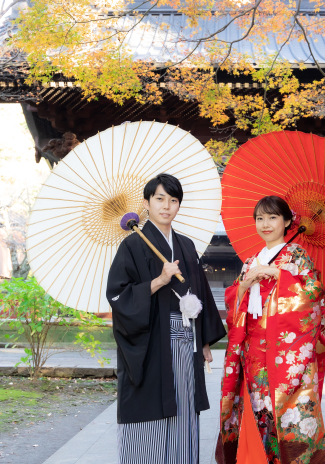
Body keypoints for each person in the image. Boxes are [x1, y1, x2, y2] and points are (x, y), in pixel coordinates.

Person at [107, 173, 227, 464]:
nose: (167, 206)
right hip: (152, 341)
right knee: (151, 407)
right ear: (147, 203)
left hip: (187, 340)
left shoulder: (185, 246)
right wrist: (159, 280)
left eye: (173, 200)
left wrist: (205, 340)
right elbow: (118, 296)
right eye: (160, 198)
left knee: (184, 406)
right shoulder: (133, 245)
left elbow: (199, 291)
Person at [215, 196, 325, 464]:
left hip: (285, 352)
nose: (265, 224)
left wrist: (280, 275)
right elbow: (234, 299)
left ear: (288, 222)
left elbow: (314, 293)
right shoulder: (250, 260)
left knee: (283, 411)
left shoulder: (298, 255)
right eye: (260, 218)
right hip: (253, 351)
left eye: (272, 217)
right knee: (256, 409)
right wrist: (246, 282)